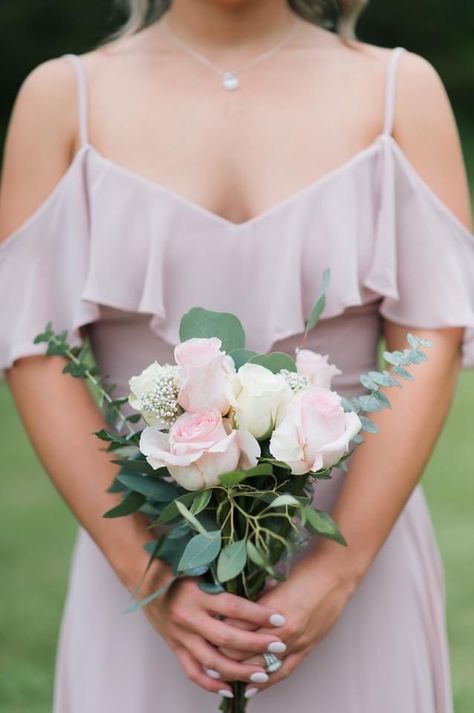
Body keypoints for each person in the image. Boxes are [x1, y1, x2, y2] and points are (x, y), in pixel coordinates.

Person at [0, 1, 473, 711]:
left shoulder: (400, 91)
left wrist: (337, 574)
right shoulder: (63, 99)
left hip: (356, 555)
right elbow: (34, 351)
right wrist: (150, 579)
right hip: (144, 563)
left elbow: (432, 336)